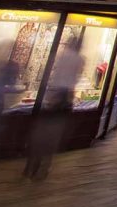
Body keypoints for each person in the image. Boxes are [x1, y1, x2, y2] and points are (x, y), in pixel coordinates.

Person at [25, 38, 83, 181]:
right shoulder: (79, 59)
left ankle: (32, 164)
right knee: (55, 132)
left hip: (53, 94)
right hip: (65, 97)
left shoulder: (60, 55)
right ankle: (45, 165)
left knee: (42, 130)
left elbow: (53, 73)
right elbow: (75, 78)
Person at [0, 40, 19, 158]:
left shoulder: (11, 66)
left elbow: (11, 84)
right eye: (6, 49)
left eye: (10, 49)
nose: (7, 52)